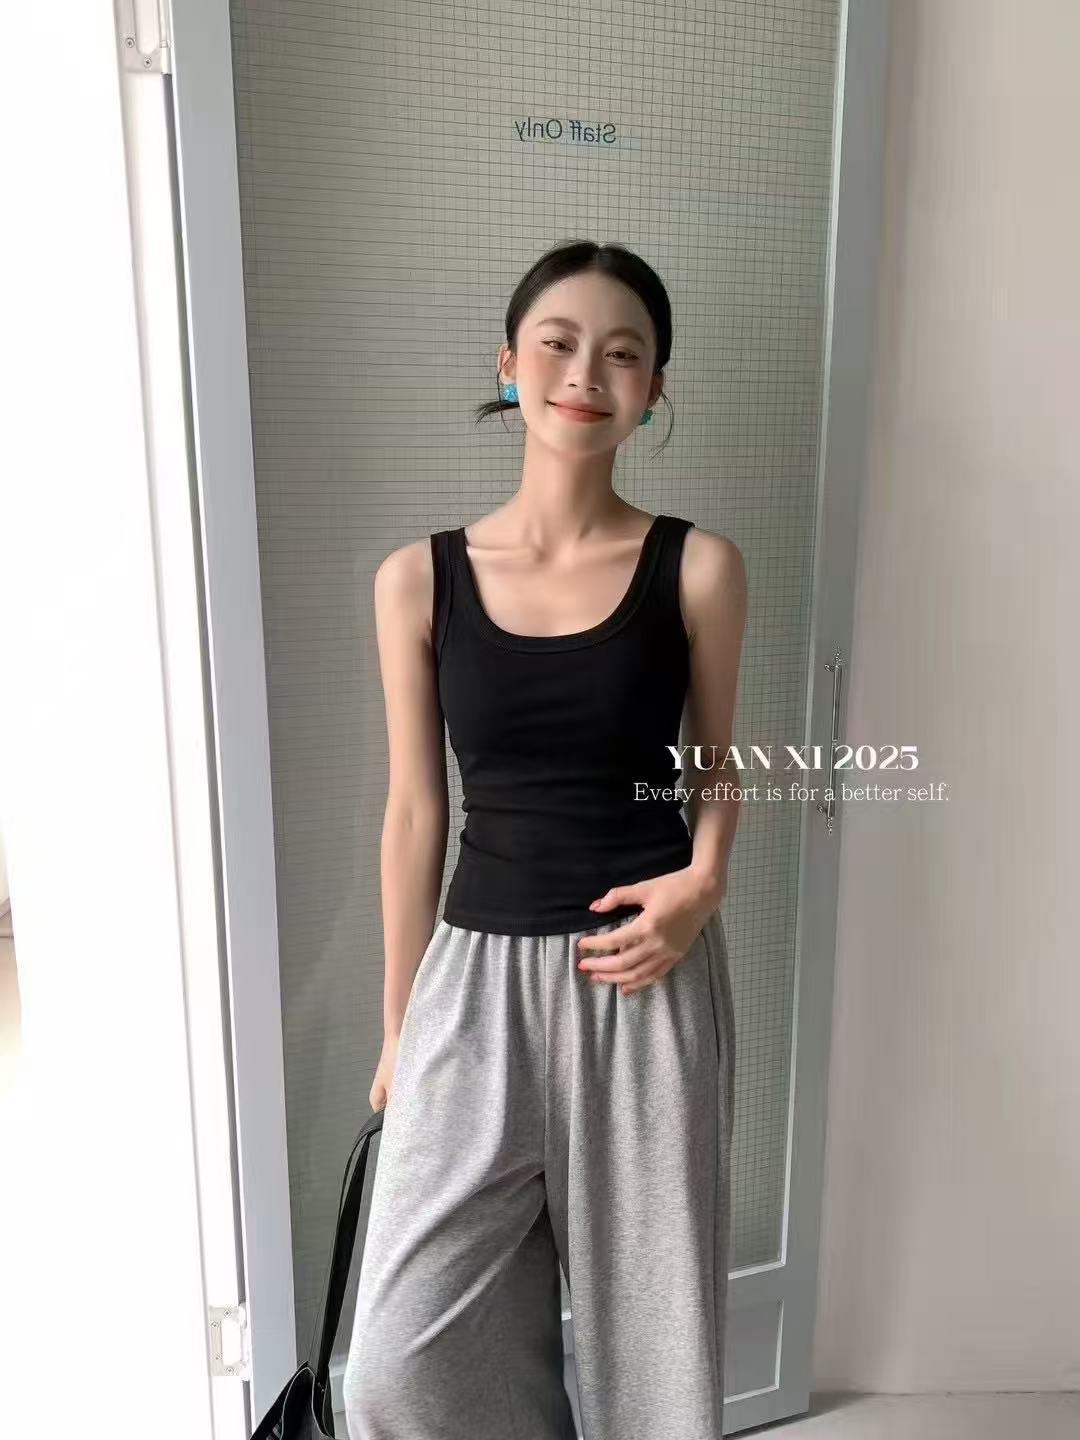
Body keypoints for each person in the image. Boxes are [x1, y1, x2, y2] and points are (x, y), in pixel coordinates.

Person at [342, 239, 747, 1440]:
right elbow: (415, 810)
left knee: (653, 1363)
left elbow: (719, 767)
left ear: (654, 388)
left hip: (643, 977)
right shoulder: (417, 580)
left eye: (623, 353)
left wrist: (702, 886)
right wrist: (399, 1023)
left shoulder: (698, 567)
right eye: (559, 343)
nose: (586, 373)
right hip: (471, 984)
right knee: (399, 1369)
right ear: (509, 363)